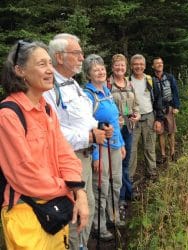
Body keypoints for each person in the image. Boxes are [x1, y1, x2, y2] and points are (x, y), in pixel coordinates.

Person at [0, 40, 89, 249]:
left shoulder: (47, 109)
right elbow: (25, 174)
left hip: (55, 211)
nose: (50, 70)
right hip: (26, 214)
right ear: (20, 70)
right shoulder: (8, 115)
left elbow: (65, 153)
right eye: (41, 64)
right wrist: (67, 188)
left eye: (50, 63)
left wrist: (79, 190)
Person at [43, 33, 113, 249]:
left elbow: (82, 119)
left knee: (88, 205)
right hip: (69, 159)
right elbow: (51, 133)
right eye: (77, 53)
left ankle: (82, 245)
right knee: (75, 210)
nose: (82, 58)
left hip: (85, 154)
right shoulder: (49, 89)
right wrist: (89, 136)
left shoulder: (72, 84)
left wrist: (97, 128)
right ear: (60, 57)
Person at [83, 54, 126, 241]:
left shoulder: (107, 91)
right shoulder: (87, 95)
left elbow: (115, 121)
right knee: (101, 186)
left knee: (116, 183)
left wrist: (122, 143)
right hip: (100, 149)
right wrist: (95, 157)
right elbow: (87, 127)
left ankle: (113, 216)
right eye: (95, 69)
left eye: (102, 68)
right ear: (88, 74)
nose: (100, 71)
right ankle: (99, 225)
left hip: (115, 145)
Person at [107, 54, 140, 208]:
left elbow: (136, 104)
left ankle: (126, 192)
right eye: (117, 65)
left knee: (125, 161)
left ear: (126, 67)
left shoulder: (130, 84)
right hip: (115, 130)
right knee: (117, 162)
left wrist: (137, 114)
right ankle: (120, 196)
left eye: (122, 65)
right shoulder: (107, 85)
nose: (120, 68)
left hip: (129, 127)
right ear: (112, 67)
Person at [128, 54, 157, 182]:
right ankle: (130, 178)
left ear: (144, 66)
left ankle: (152, 172)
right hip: (132, 119)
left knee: (150, 147)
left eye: (141, 64)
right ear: (131, 66)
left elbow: (157, 99)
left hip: (149, 117)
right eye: (135, 64)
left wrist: (159, 119)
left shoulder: (150, 79)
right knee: (131, 150)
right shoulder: (126, 81)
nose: (138, 66)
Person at [152, 57, 180, 163]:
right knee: (160, 132)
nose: (159, 65)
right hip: (157, 109)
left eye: (161, 63)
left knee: (171, 131)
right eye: (157, 63)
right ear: (153, 66)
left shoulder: (169, 77)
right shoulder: (151, 79)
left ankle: (172, 153)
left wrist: (176, 106)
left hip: (169, 107)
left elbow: (175, 92)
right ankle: (163, 155)